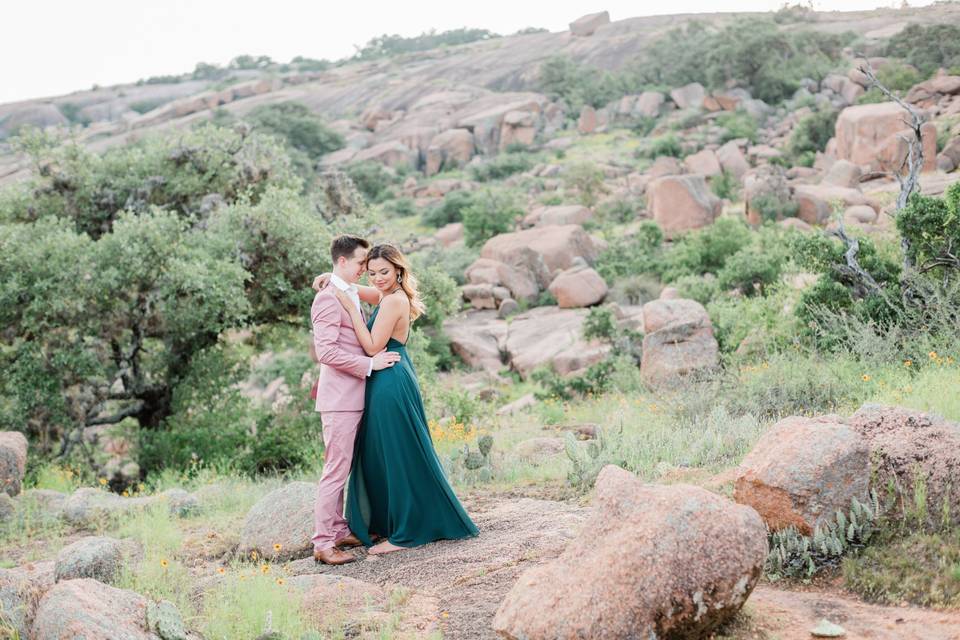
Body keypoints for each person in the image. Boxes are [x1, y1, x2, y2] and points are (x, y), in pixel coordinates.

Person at [313, 244, 478, 555]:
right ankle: (388, 521)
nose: (376, 278)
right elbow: (362, 291)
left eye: (384, 272)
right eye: (372, 272)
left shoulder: (393, 301)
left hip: (388, 376)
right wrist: (333, 279)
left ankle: (405, 531)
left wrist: (350, 310)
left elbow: (374, 347)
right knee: (389, 452)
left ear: (399, 271)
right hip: (384, 378)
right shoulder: (386, 294)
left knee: (398, 454)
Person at [310, 235, 401, 565]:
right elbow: (327, 352)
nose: (366, 268)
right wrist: (369, 364)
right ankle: (322, 543)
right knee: (335, 470)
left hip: (354, 396)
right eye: (362, 263)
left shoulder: (346, 290)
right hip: (339, 400)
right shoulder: (327, 300)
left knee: (343, 467)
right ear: (343, 261)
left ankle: (337, 530)